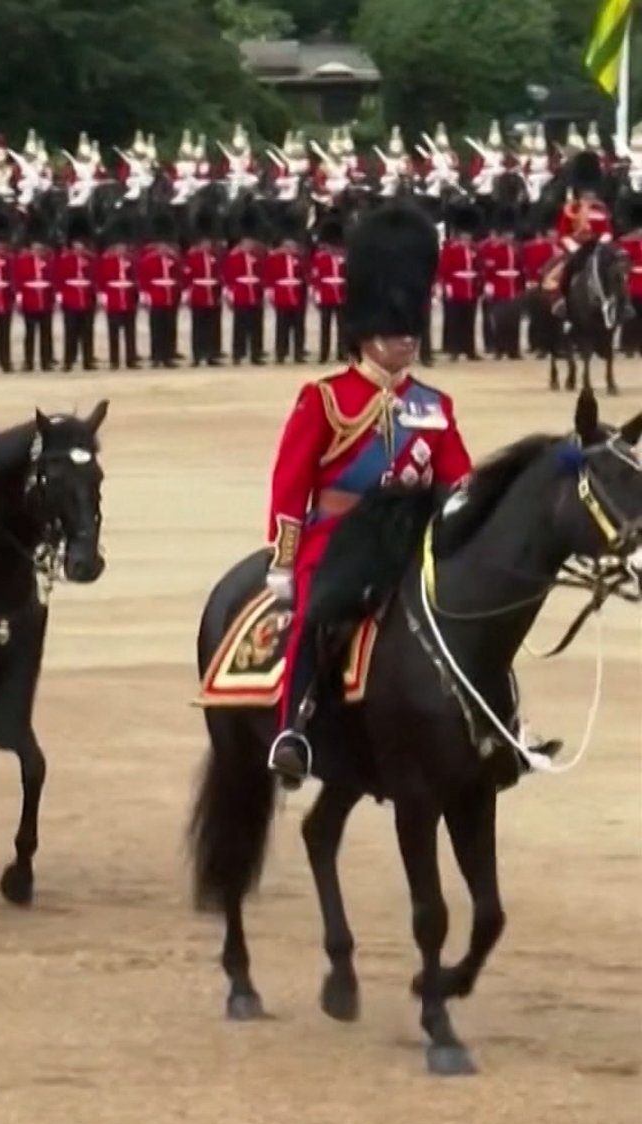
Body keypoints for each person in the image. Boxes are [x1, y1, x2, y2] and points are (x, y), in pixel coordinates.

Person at [263, 203, 472, 788]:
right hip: (339, 539)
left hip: (414, 539)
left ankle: (490, 720)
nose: (406, 340)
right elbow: (290, 483)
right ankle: (293, 729)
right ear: (366, 330)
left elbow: (458, 477)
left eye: (411, 330)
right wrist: (283, 559)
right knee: (317, 610)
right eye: (394, 330)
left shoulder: (433, 404)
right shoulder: (325, 398)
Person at [548, 150, 612, 315]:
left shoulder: (601, 208)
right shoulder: (570, 208)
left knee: (616, 269)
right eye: (586, 191)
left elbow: (607, 229)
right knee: (561, 272)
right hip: (576, 248)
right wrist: (574, 247)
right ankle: (560, 300)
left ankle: (619, 302)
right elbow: (563, 233)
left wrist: (604, 240)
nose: (590, 194)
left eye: (591, 191)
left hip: (598, 247)